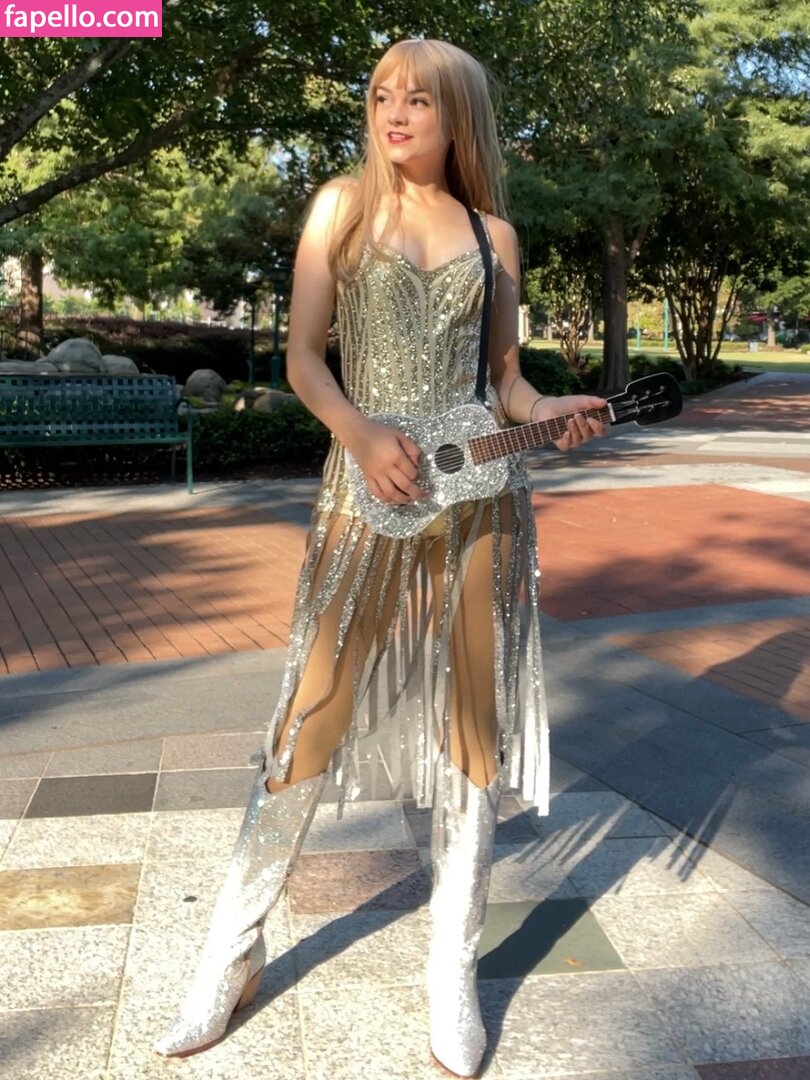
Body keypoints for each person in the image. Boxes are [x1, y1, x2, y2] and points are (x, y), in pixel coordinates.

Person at [154, 37, 605, 1077]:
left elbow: (506, 383)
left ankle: (452, 967)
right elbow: (306, 359)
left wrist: (549, 410)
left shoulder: (494, 235)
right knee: (311, 711)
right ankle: (231, 951)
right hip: (367, 492)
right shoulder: (340, 210)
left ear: (458, 117)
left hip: (482, 499)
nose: (394, 112)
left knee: (474, 728)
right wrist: (359, 435)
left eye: (419, 99)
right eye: (380, 95)